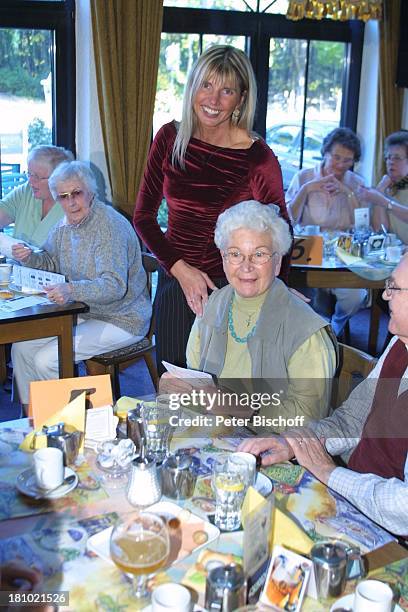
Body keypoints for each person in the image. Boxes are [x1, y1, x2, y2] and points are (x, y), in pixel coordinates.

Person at [134, 45, 290, 375]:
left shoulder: (257, 157)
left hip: (234, 287)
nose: (213, 100)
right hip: (176, 282)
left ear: (241, 98)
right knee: (175, 387)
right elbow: (143, 217)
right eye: (206, 85)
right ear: (192, 86)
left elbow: (281, 235)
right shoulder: (169, 137)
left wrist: (280, 294)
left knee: (225, 399)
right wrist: (180, 270)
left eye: (226, 90)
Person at [239, 255, 408, 536]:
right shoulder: (399, 347)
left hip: (388, 536)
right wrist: (295, 443)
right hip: (352, 499)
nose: (386, 295)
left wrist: (329, 472)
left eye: (395, 287)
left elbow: (403, 506)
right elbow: (352, 420)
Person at [162, 201, 337, 431]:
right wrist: (179, 389)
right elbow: (196, 381)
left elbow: (308, 420)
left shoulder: (306, 332)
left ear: (277, 263)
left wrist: (239, 408)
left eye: (259, 255)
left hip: (273, 451)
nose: (246, 266)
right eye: (235, 254)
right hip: (214, 436)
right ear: (223, 259)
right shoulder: (213, 305)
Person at [11, 161, 151, 408]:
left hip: (122, 318)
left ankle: (63, 427)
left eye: (76, 193)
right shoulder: (65, 225)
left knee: (47, 360)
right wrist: (30, 257)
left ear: (90, 191)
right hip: (84, 312)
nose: (71, 202)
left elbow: (114, 287)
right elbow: (51, 260)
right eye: (63, 197)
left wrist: (71, 289)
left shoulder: (108, 226)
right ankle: (33, 417)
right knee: (21, 347)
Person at [286, 127, 367, 336]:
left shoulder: (356, 183)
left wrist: (349, 194)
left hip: (342, 254)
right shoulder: (304, 177)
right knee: (301, 293)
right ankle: (314, 331)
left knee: (356, 295)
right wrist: (306, 190)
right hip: (309, 252)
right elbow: (287, 220)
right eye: (336, 157)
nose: (340, 165)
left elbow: (363, 227)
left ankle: (335, 327)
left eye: (347, 160)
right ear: (325, 153)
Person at [0, 145, 74, 247]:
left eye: (38, 177)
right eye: (29, 174)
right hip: (15, 263)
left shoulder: (74, 206)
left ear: (59, 179)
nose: (30, 181)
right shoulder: (26, 191)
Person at [359, 130, 408, 244]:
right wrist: (380, 190)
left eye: (397, 158)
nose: (390, 162)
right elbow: (379, 231)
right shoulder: (386, 186)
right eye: (388, 157)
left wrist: (383, 201)